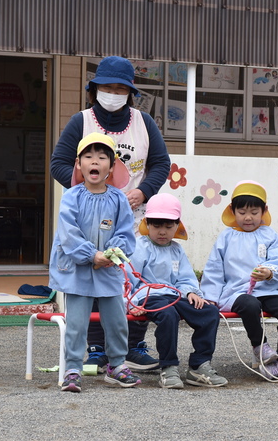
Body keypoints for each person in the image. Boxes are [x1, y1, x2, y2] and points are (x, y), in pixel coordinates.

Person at [50, 55, 170, 372]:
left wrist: (142, 191)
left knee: (132, 282)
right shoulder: (81, 121)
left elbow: (161, 164)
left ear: (130, 92)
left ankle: (133, 345)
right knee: (88, 279)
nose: (113, 93)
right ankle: (94, 348)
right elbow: (58, 163)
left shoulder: (144, 123)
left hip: (131, 217)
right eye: (107, 87)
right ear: (95, 90)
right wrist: (92, 188)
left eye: (120, 88)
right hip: (87, 219)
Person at [49, 134, 140, 392]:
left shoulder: (119, 198)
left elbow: (125, 232)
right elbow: (68, 233)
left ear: (111, 167)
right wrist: (92, 255)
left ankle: (117, 365)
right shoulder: (71, 196)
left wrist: (112, 253)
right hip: (77, 269)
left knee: (116, 320)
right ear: (79, 164)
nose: (95, 161)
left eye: (102, 157)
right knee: (77, 323)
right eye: (89, 156)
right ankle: (73, 368)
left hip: (109, 269)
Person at [200, 180, 278, 379]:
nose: (248, 217)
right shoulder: (226, 237)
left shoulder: (269, 235)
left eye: (254, 212)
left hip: (267, 289)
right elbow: (214, 270)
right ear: (232, 211)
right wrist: (210, 298)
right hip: (237, 292)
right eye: (242, 212)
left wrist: (269, 273)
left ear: (264, 211)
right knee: (249, 304)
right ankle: (259, 346)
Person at [127, 193, 227, 389]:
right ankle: (168, 367)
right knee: (168, 314)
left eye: (168, 226)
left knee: (209, 312)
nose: (162, 231)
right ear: (147, 224)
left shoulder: (176, 249)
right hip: (149, 296)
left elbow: (186, 277)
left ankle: (199, 365)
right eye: (157, 226)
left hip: (174, 295)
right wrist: (130, 304)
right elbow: (128, 280)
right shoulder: (139, 247)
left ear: (177, 226)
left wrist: (191, 292)